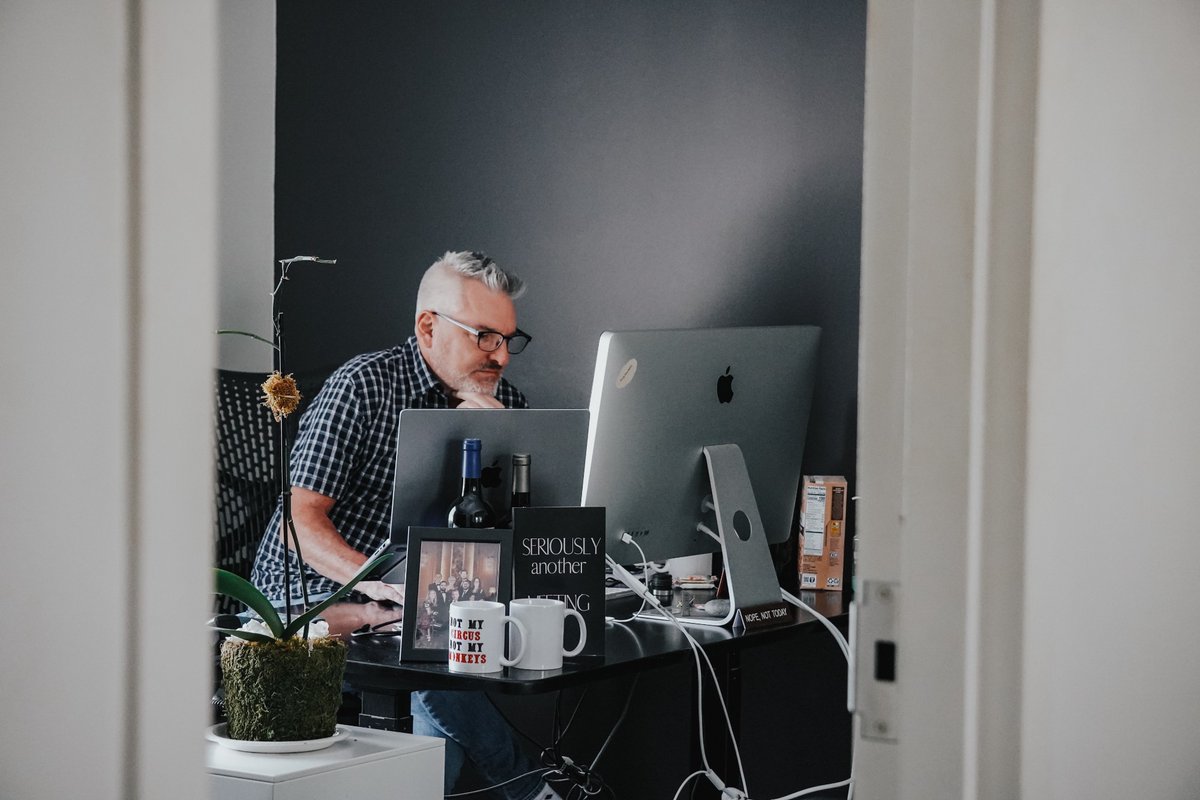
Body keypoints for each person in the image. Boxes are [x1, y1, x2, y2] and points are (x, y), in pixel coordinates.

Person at [250, 251, 561, 800]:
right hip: (312, 598)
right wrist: (381, 585)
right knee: (439, 655)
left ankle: (527, 791)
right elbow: (297, 523)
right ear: (428, 327)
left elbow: (514, 537)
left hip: (424, 605)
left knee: (443, 655)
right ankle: (535, 789)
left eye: (509, 339)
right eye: (485, 336)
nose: (502, 356)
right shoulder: (363, 386)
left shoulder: (503, 402)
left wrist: (503, 447)